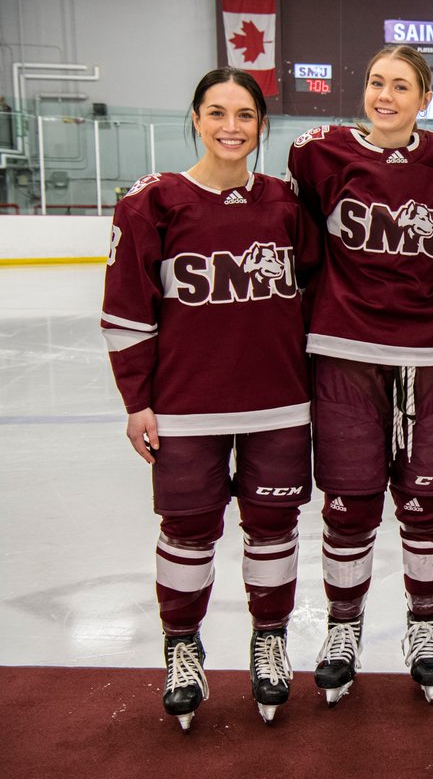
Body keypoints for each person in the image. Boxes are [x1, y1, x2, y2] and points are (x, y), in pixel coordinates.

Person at [100, 68, 319, 730]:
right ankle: (182, 647)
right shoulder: (153, 203)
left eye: (245, 116)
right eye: (217, 112)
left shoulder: (285, 202)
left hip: (278, 404)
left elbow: (314, 293)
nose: (231, 127)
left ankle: (270, 640)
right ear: (195, 118)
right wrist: (137, 400)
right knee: (188, 534)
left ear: (260, 126)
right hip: (187, 407)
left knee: (273, 531)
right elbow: (127, 310)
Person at [286, 45, 433, 705]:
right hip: (345, 351)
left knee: (427, 503)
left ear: (425, 99)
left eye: (400, 86)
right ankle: (343, 629)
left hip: (428, 355)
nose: (385, 94)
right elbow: (298, 246)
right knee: (350, 503)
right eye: (375, 81)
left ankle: (425, 628)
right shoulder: (320, 155)